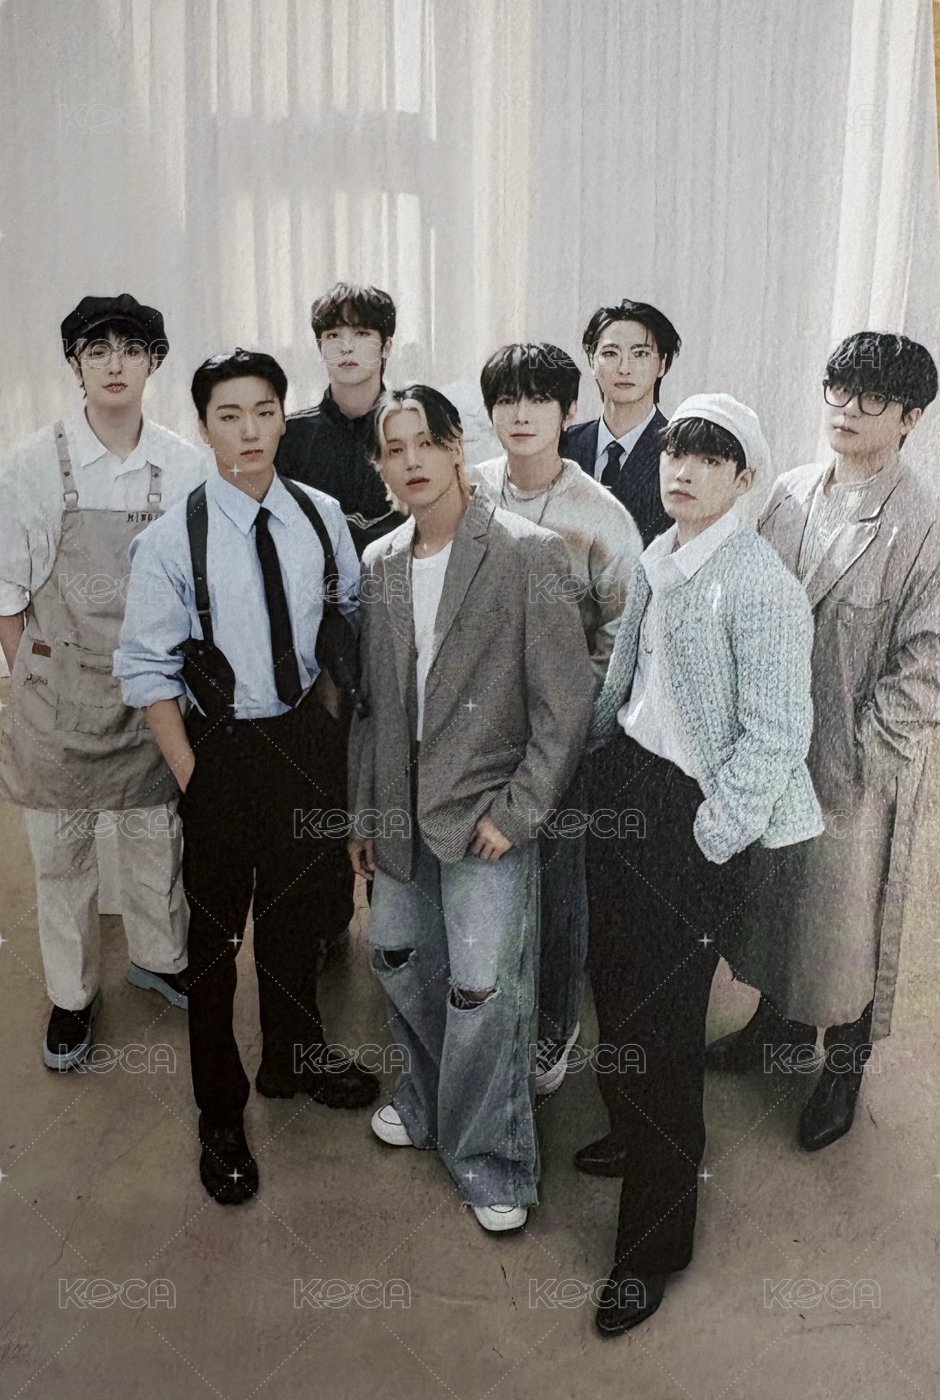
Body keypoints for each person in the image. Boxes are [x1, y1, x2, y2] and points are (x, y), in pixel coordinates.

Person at [114, 348, 379, 1206]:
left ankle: (294, 1060)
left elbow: (344, 617)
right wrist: (195, 774)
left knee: (297, 918)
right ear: (204, 427)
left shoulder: (320, 516)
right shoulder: (171, 540)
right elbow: (147, 671)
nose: (250, 430)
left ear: (281, 416)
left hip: (302, 740)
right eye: (229, 415)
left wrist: (325, 726)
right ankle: (221, 1115)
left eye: (264, 410)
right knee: (216, 944)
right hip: (220, 751)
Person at [582, 394, 822, 1335]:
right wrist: (599, 760)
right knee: (613, 985)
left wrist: (711, 838)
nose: (682, 470)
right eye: (676, 452)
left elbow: (778, 736)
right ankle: (627, 1130)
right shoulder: (662, 552)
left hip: (693, 819)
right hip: (628, 788)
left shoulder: (759, 586)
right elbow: (630, 680)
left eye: (710, 459)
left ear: (745, 478)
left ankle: (654, 1244)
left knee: (664, 1029)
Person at [348, 384, 593, 1232]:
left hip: (488, 814)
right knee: (394, 956)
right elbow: (373, 709)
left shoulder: (528, 554)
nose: (411, 460)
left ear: (457, 447)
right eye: (394, 449)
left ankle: (493, 1159)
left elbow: (566, 706)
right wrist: (363, 814)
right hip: (398, 807)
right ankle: (426, 1100)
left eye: (426, 442)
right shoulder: (381, 562)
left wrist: (518, 814)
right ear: (381, 467)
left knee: (483, 989)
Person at [708, 333, 940, 1152]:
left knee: (845, 924)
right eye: (837, 390)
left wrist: (860, 757)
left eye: (871, 398)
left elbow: (926, 664)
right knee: (775, 898)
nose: (846, 410)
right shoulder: (792, 493)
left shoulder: (922, 523)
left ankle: (844, 1063)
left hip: (855, 765)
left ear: (909, 417)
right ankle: (775, 1025)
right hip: (777, 748)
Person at [0, 293, 208, 1071]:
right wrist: (38, 683)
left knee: (156, 838)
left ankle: (160, 957)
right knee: (62, 853)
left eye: (130, 348)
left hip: (151, 695)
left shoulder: (184, 465)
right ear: (75, 365)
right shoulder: (30, 465)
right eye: (97, 350)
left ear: (154, 362)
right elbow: (6, 598)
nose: (114, 364)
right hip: (57, 697)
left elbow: (194, 590)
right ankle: (71, 996)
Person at [473, 342, 642, 1093]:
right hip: (476, 729)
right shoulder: (470, 490)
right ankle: (483, 1018)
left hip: (562, 736)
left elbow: (620, 636)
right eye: (507, 399)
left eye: (539, 399)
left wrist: (572, 731)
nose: (521, 413)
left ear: (569, 411)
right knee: (479, 877)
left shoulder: (601, 515)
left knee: (555, 884)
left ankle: (554, 1027)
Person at [275, 281, 405, 554]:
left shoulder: (411, 429)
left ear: (386, 346)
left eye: (361, 333)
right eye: (333, 335)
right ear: (320, 347)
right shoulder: (287, 435)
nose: (346, 347)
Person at [563, 299, 682, 546]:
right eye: (610, 353)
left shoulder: (681, 451)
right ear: (591, 361)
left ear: (662, 364)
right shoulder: (563, 444)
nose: (624, 368)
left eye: (640, 354)